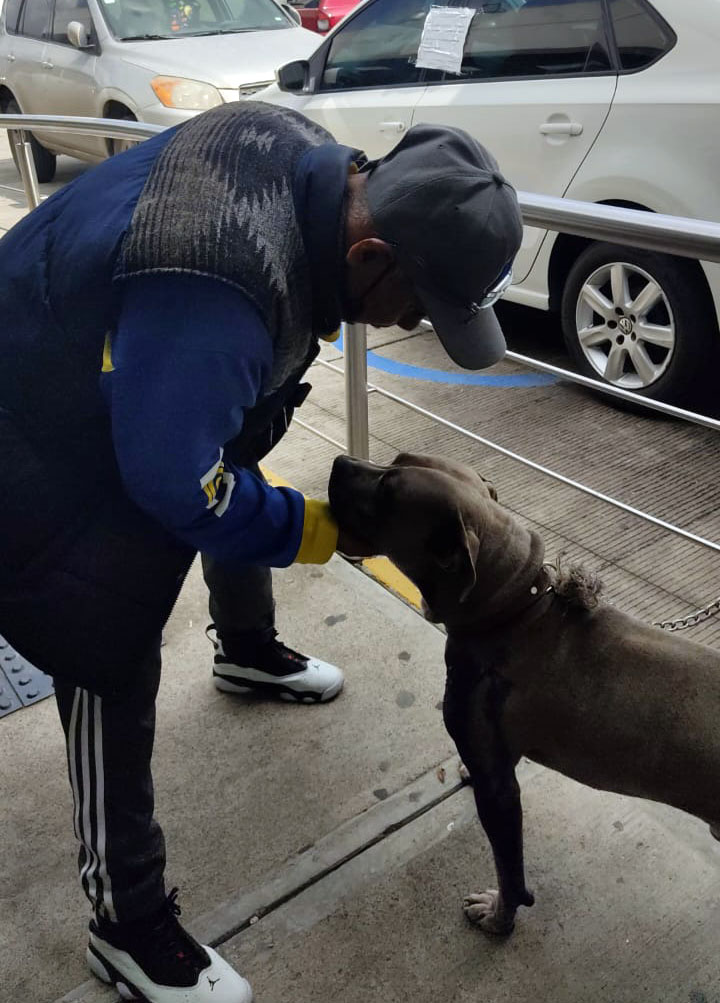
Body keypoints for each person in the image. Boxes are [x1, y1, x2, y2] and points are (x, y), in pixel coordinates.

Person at [0, 100, 522, 1002]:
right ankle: (125, 921)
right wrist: (314, 530)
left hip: (119, 358)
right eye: (412, 305)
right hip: (30, 410)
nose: (402, 324)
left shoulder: (304, 152)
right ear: (368, 257)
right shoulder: (219, 290)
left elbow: (206, 423)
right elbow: (178, 483)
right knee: (100, 632)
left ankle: (244, 652)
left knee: (233, 440)